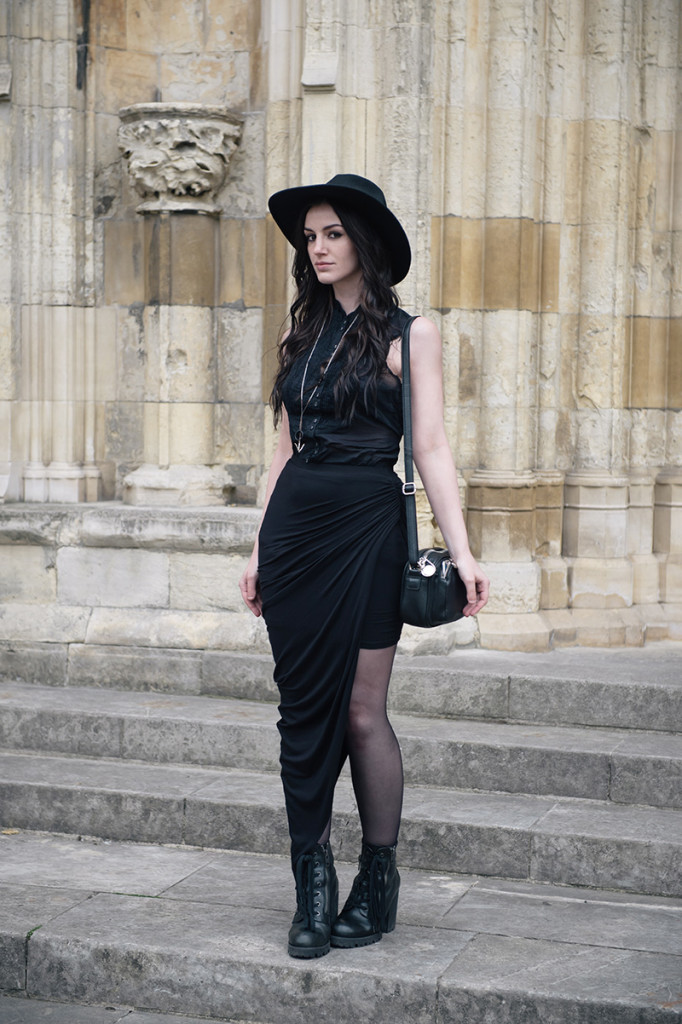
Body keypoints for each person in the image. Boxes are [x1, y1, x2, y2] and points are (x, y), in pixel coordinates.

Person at [239, 174, 489, 959]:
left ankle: (376, 883)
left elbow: (433, 448)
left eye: (332, 234)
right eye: (309, 236)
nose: (316, 248)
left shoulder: (412, 336)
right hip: (295, 536)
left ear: (365, 242)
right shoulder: (296, 336)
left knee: (361, 712)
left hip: (369, 529)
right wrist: (255, 549)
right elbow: (282, 454)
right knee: (301, 713)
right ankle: (310, 887)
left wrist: (465, 548)